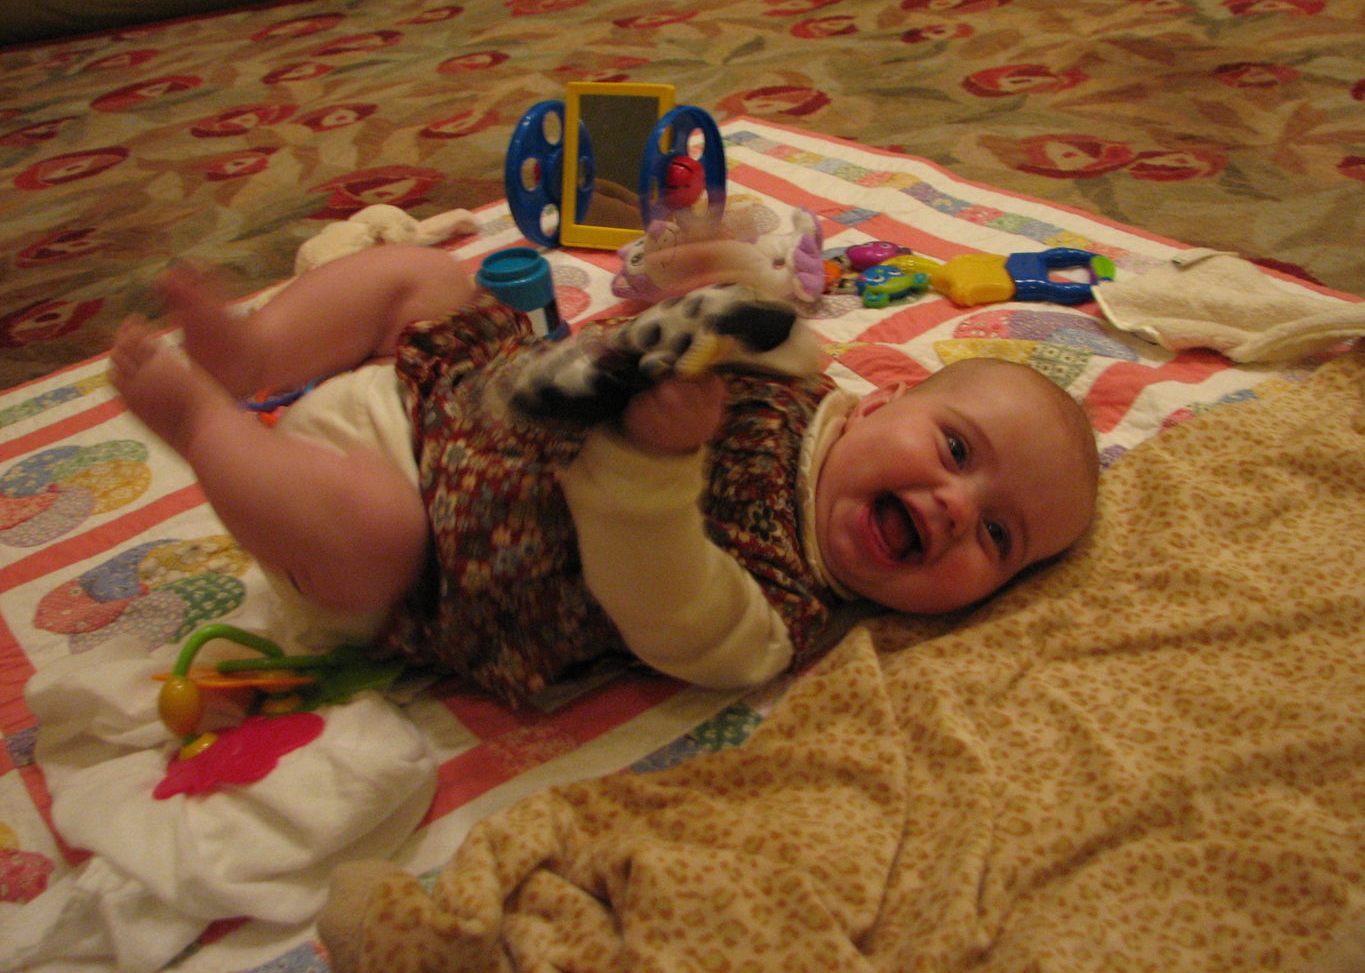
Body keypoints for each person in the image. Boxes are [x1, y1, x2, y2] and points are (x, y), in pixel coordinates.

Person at [109, 243, 1098, 704]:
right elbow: (757, 320)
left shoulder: (776, 615)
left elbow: (662, 601)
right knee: (427, 275)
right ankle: (254, 355)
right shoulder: (803, 380)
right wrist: (714, 284)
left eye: (998, 537)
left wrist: (655, 464)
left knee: (374, 539)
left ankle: (200, 418)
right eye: (958, 451)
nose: (954, 507)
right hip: (458, 397)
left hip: (418, 539)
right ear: (882, 404)